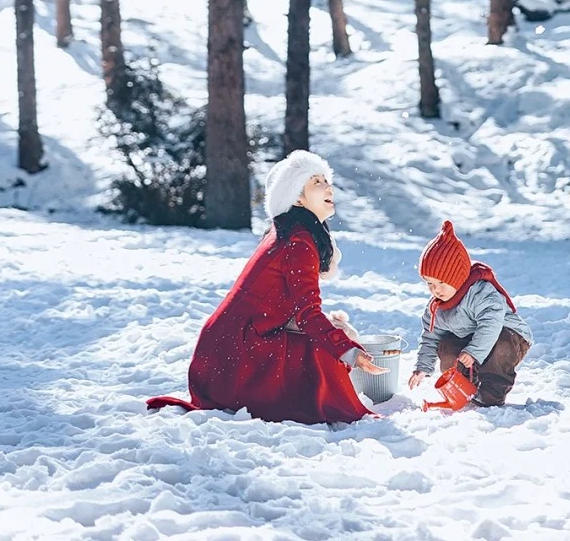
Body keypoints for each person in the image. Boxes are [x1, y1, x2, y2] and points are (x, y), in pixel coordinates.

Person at [146, 150, 385, 424]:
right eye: (316, 182)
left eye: (326, 180)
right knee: (323, 349)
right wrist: (351, 352)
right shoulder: (298, 241)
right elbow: (308, 315)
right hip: (235, 356)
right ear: (297, 196)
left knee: (334, 334)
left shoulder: (289, 230)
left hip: (221, 354)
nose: (328, 186)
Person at [407, 219, 532, 407]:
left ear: (456, 278)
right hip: (471, 342)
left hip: (510, 338)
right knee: (446, 345)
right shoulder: (437, 308)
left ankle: (491, 394)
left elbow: (491, 324)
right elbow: (430, 338)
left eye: (441, 282)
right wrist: (422, 368)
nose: (435, 290)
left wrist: (473, 352)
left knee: (500, 344)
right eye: (430, 283)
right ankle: (467, 387)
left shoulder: (481, 293)